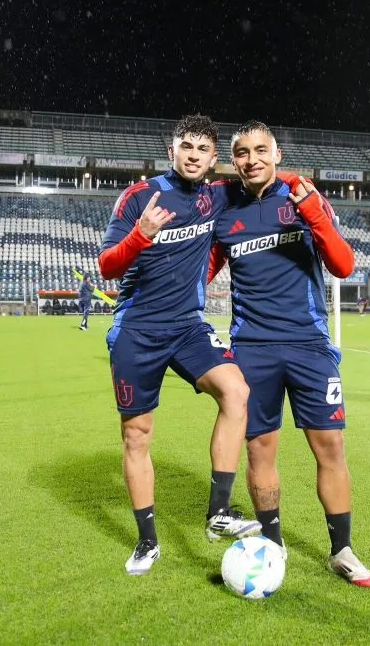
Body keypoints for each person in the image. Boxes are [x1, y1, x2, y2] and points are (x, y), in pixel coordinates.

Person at [207, 120, 370, 587]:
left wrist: (314, 214)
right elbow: (201, 275)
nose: (252, 159)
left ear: (277, 153)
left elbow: (343, 265)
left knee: (331, 447)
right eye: (242, 152)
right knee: (260, 450)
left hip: (309, 345)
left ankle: (341, 550)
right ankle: (272, 543)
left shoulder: (303, 197)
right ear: (234, 160)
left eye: (261, 150)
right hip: (252, 350)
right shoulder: (225, 212)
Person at [98, 114, 261, 576]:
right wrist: (141, 234)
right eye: (185, 146)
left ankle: (219, 513)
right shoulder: (139, 197)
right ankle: (147, 541)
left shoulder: (216, 197)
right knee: (137, 435)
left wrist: (298, 184)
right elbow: (108, 265)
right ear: (172, 150)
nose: (193, 155)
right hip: (139, 330)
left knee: (236, 391)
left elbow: (259, 173)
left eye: (202, 149)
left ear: (214, 159)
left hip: (188, 327)